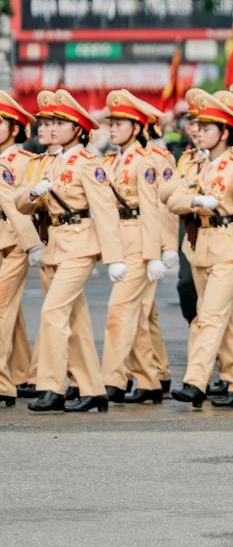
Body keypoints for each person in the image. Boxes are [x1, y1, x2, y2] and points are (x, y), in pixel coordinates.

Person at [17, 90, 126, 412]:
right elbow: (20, 203)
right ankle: (93, 389)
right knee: (75, 321)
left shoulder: (88, 164)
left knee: (52, 313)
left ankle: (52, 386)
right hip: (52, 245)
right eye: (47, 121)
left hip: (79, 244)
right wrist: (33, 194)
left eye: (58, 123)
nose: (49, 128)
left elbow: (104, 210)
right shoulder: (44, 162)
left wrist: (115, 257)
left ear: (77, 129)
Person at [161, 90, 233, 407]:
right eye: (197, 126)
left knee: (208, 317)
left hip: (231, 247)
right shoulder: (194, 164)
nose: (198, 132)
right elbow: (174, 199)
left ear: (225, 131)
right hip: (200, 247)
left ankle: (195, 380)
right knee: (228, 321)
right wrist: (194, 200)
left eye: (207, 128)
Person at [98, 91, 170, 401]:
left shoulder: (146, 162)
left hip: (140, 239)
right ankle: (148, 380)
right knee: (137, 314)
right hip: (119, 238)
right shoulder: (112, 160)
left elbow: (153, 210)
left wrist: (155, 254)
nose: (112, 129)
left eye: (119, 123)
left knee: (119, 310)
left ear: (137, 128)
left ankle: (112, 379)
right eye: (111, 123)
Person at [0, 92, 43, 405]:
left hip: (16, 241)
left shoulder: (24, 162)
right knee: (10, 313)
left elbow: (17, 208)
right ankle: (23, 374)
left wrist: (31, 246)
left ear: (14, 128)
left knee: (1, 310)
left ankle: (3, 384)